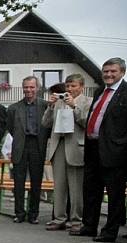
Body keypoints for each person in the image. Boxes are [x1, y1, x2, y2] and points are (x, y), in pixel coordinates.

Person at [72, 58, 127, 242]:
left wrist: (125, 146)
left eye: (112, 71)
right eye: (105, 71)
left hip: (116, 152)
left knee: (114, 193)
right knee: (91, 190)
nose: (108, 74)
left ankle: (109, 231)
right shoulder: (100, 91)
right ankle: (89, 226)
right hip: (93, 148)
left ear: (122, 72)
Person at [41, 74, 91, 231]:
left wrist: (74, 106)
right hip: (59, 146)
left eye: (73, 86)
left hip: (76, 146)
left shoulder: (87, 102)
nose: (70, 89)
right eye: (68, 86)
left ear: (81, 87)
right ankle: (59, 218)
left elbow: (86, 122)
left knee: (76, 187)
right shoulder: (59, 102)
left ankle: (76, 220)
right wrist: (50, 106)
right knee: (59, 186)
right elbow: (45, 123)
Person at [6, 76, 50, 224]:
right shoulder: (13, 108)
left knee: (36, 182)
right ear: (23, 88)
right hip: (20, 146)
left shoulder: (46, 106)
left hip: (37, 146)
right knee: (18, 182)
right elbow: (11, 128)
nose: (29, 90)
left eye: (32, 87)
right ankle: (19, 213)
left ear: (37, 88)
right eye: (26, 87)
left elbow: (48, 127)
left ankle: (33, 214)